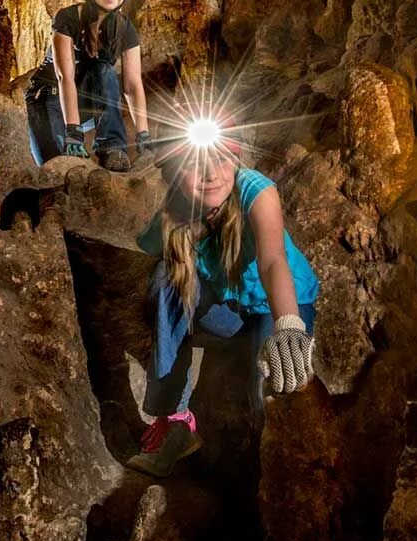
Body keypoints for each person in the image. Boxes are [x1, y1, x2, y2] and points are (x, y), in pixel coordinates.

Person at [126, 117, 321, 477]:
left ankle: (273, 471)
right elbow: (144, 263)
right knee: (166, 277)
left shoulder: (256, 190)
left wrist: (289, 324)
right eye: (195, 166)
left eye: (222, 160)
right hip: (230, 317)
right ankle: (175, 420)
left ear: (237, 161)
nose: (211, 175)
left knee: (273, 386)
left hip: (276, 307)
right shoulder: (174, 214)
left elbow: (273, 260)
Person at [25, 0, 151, 171]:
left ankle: (112, 146)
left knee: (103, 69)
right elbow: (65, 77)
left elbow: (132, 85)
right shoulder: (69, 17)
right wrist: (73, 132)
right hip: (48, 98)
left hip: (85, 101)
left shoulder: (125, 27)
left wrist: (143, 134)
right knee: (58, 169)